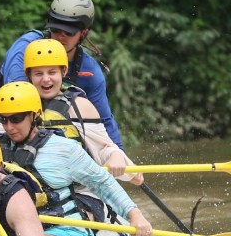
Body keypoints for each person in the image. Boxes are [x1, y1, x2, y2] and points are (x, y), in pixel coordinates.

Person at [0, 81, 152, 236]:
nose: (9, 127)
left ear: (35, 116)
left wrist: (135, 215)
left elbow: (102, 183)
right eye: (3, 120)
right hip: (19, 231)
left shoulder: (64, 149)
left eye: (16, 118)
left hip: (65, 232)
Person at [0, 0, 124, 148]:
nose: (60, 36)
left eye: (68, 32)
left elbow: (104, 122)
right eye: (55, 29)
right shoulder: (24, 48)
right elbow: (17, 99)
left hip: (51, 129)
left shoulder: (90, 72)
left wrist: (121, 158)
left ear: (83, 33)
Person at [19, 38, 143, 185]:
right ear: (29, 76)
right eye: (38, 73)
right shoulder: (13, 107)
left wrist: (116, 156)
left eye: (52, 72)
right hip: (31, 190)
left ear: (63, 71)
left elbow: (103, 149)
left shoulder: (81, 107)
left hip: (78, 191)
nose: (46, 79)